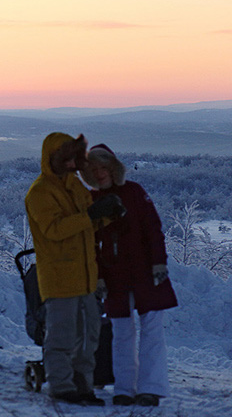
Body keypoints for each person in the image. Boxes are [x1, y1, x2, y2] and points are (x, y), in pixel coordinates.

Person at [24, 132, 125, 406]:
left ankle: (84, 387)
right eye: (65, 159)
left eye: (74, 158)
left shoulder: (76, 187)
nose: (71, 164)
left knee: (89, 337)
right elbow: (55, 230)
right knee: (62, 337)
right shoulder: (40, 193)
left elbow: (84, 228)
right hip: (59, 279)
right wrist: (91, 215)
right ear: (52, 159)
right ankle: (62, 388)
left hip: (85, 278)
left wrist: (105, 217)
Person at [82, 144, 178, 408]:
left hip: (146, 271)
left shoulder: (134, 192)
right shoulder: (92, 201)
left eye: (104, 167)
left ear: (113, 168)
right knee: (122, 332)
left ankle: (150, 389)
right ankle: (124, 389)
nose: (100, 173)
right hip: (115, 276)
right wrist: (99, 277)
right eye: (94, 169)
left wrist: (159, 262)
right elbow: (91, 243)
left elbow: (153, 228)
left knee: (152, 331)